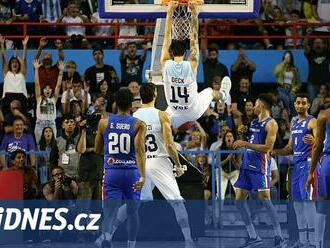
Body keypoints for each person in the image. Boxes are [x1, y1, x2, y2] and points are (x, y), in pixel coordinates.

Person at [160, 1, 231, 128]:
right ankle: (224, 95)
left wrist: (170, 11)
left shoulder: (165, 64)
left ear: (170, 52)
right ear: (185, 53)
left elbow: (165, 38)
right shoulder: (191, 65)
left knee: (161, 127)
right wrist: (194, 13)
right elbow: (193, 38)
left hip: (174, 112)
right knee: (210, 92)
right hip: (193, 110)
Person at [233, 93, 287, 247]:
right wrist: (243, 133)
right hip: (246, 165)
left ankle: (279, 236)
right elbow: (250, 140)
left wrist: (245, 143)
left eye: (255, 104)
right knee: (238, 201)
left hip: (259, 165)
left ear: (262, 105)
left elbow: (267, 148)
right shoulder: (255, 122)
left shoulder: (271, 124)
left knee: (266, 200)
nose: (253, 107)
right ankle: (253, 236)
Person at [94, 88, 146, 248]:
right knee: (132, 211)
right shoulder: (138, 124)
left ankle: (107, 238)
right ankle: (131, 245)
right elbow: (139, 150)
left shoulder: (104, 122)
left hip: (112, 171)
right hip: (131, 172)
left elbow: (97, 150)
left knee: (110, 212)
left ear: (115, 103)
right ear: (131, 104)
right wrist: (142, 176)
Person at [273, 94, 318, 247]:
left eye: (303, 103)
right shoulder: (294, 122)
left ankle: (312, 241)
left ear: (308, 105)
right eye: (298, 103)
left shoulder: (312, 121)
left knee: (307, 203)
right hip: (296, 166)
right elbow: (290, 148)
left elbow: (321, 142)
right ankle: (303, 240)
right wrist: (275, 151)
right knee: (297, 205)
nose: (300, 105)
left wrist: (315, 141)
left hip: (307, 164)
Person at [305, 108, 330, 248]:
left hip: (328, 162)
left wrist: (311, 172)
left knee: (322, 202)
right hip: (327, 160)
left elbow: (318, 145)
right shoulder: (324, 115)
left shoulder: (324, 114)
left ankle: (317, 243)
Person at [34, 59, 64, 143]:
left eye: (49, 89)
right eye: (45, 89)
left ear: (51, 91)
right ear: (43, 91)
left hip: (51, 124)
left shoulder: (54, 99)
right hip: (40, 124)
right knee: (39, 145)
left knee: (53, 146)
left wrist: (61, 71)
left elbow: (58, 85)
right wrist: (36, 69)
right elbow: (37, 84)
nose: (47, 90)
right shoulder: (39, 98)